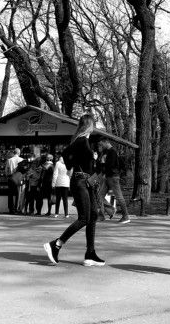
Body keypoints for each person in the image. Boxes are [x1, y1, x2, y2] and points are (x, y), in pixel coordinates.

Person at [44, 113, 104, 267]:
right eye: (93, 124)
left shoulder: (83, 141)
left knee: (94, 214)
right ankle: (56, 244)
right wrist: (72, 167)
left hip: (86, 181)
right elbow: (65, 154)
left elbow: (69, 155)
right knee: (84, 217)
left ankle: (90, 253)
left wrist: (84, 161)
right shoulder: (82, 140)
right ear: (90, 125)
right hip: (80, 182)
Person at [96, 138, 130, 223]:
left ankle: (126, 216)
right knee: (99, 196)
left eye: (102, 144)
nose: (101, 146)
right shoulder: (107, 152)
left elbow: (111, 165)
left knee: (119, 197)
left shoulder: (112, 152)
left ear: (106, 142)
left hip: (113, 177)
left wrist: (103, 162)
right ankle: (101, 216)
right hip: (108, 177)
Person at [5, 148, 23, 215]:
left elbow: (6, 170)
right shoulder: (22, 160)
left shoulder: (9, 160)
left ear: (14, 152)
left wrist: (8, 176)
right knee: (18, 194)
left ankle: (11, 209)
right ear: (18, 153)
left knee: (10, 194)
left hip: (11, 178)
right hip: (19, 179)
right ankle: (17, 208)